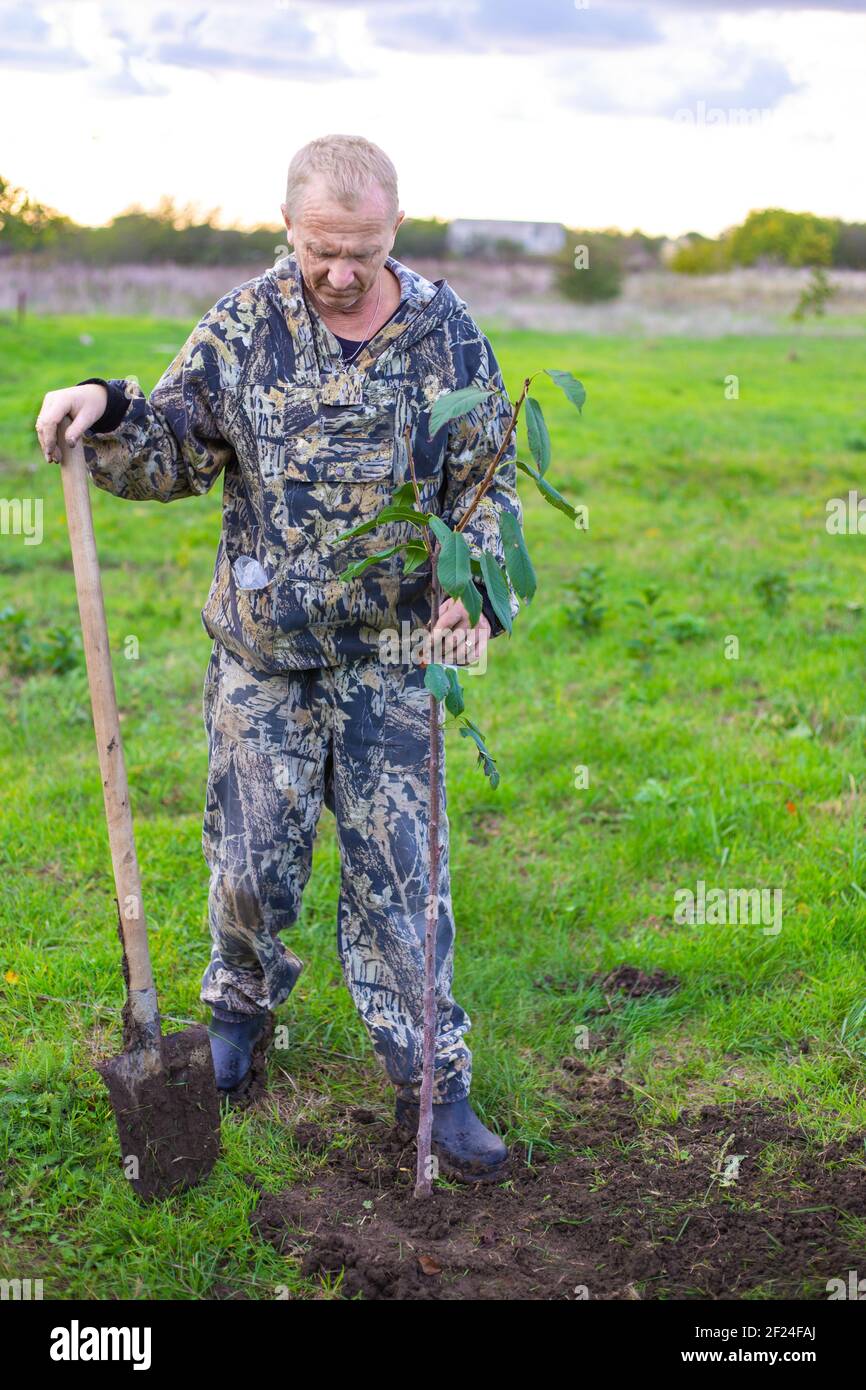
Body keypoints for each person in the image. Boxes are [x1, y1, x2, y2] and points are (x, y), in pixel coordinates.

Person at [36, 134, 522, 1181]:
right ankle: (238, 1023)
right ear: (286, 231)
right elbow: (168, 448)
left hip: (396, 660)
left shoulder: (446, 337)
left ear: (394, 230)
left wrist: (472, 586)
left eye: (360, 249)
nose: (338, 272)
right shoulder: (245, 325)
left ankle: (434, 1084)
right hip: (265, 657)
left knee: (404, 879)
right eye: (317, 249)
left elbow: (486, 482)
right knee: (251, 865)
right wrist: (106, 405)